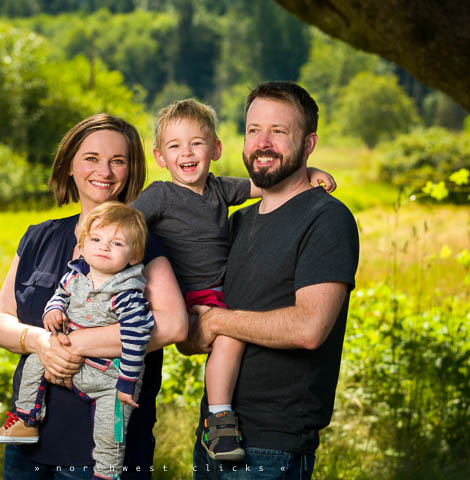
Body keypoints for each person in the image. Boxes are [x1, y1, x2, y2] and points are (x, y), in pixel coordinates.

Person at [132, 99, 336, 463]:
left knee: (229, 338)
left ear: (216, 149)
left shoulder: (220, 189)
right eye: (175, 146)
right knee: (227, 337)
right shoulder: (160, 195)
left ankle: (218, 417)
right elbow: (128, 222)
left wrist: (313, 169)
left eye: (196, 143)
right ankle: (220, 416)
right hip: (183, 295)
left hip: (217, 295)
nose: (187, 153)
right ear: (160, 157)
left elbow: (267, 186)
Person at [0, 113, 187, 479]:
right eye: (92, 158)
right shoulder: (39, 237)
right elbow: (1, 323)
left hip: (102, 451)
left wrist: (72, 344)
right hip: (27, 440)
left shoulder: (141, 245)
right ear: (69, 165)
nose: (105, 171)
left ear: (131, 171)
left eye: (118, 161)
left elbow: (174, 325)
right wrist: (41, 341)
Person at [180, 82, 359, 479]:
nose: (262, 143)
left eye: (278, 131)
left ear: (308, 142)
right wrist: (193, 328)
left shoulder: (325, 218)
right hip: (214, 432)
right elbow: (194, 335)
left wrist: (215, 322)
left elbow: (309, 328)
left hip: (272, 445)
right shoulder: (237, 222)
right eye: (253, 130)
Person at [0, 202, 155, 480]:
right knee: (33, 362)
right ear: (83, 244)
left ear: (133, 256)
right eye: (96, 239)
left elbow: (137, 337)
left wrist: (127, 382)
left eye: (116, 243)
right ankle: (27, 417)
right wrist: (53, 310)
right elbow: (60, 295)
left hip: (111, 378)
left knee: (110, 425)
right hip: (74, 369)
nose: (104, 247)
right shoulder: (75, 276)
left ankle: (106, 471)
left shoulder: (127, 293)